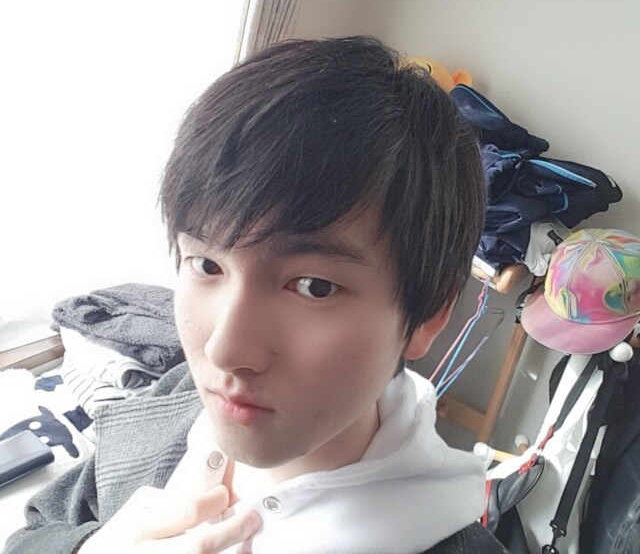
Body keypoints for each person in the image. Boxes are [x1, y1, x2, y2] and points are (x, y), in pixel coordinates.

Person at [5, 36, 507, 553]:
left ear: (429, 313)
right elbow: (38, 526)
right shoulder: (180, 395)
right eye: (207, 264)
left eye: (313, 287)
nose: (224, 349)